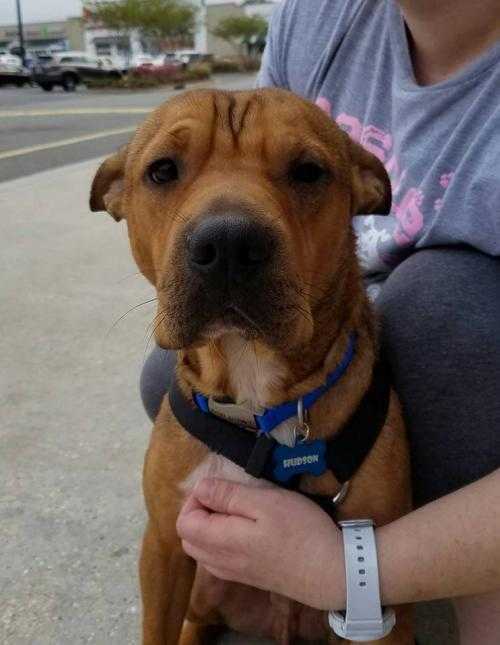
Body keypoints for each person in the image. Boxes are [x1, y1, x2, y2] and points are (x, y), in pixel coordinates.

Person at [142, 1, 500, 642]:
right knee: (159, 378)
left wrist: (350, 571)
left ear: (366, 186)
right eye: (165, 173)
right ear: (118, 195)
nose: (229, 222)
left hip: (420, 329)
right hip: (321, 328)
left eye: (305, 173)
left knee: (446, 312)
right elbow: (243, 140)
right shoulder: (319, 12)